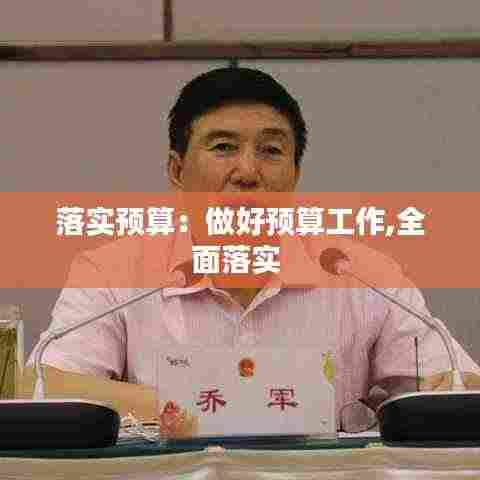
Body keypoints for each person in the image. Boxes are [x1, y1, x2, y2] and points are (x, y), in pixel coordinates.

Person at [26, 67, 480, 432]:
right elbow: (46, 386)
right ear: (177, 170)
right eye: (224, 147)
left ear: (295, 174)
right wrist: (216, 406)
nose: (247, 172)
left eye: (271, 151)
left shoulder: (356, 272)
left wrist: (432, 397)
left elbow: (461, 386)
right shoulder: (114, 271)